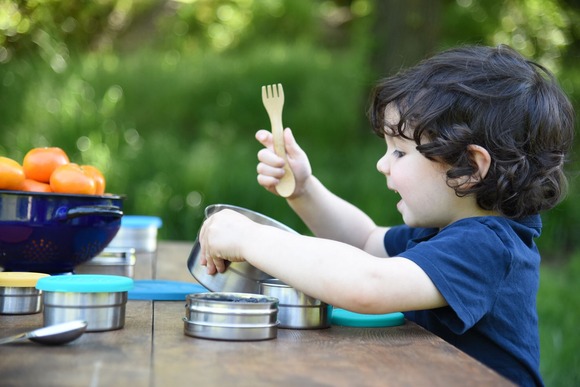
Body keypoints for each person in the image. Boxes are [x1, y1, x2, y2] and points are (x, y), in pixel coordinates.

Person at [198, 45, 575, 386]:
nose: (382, 164)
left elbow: (367, 285)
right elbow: (364, 240)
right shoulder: (444, 232)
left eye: (399, 152)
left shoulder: (488, 247)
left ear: (470, 168)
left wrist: (251, 238)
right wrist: (304, 189)